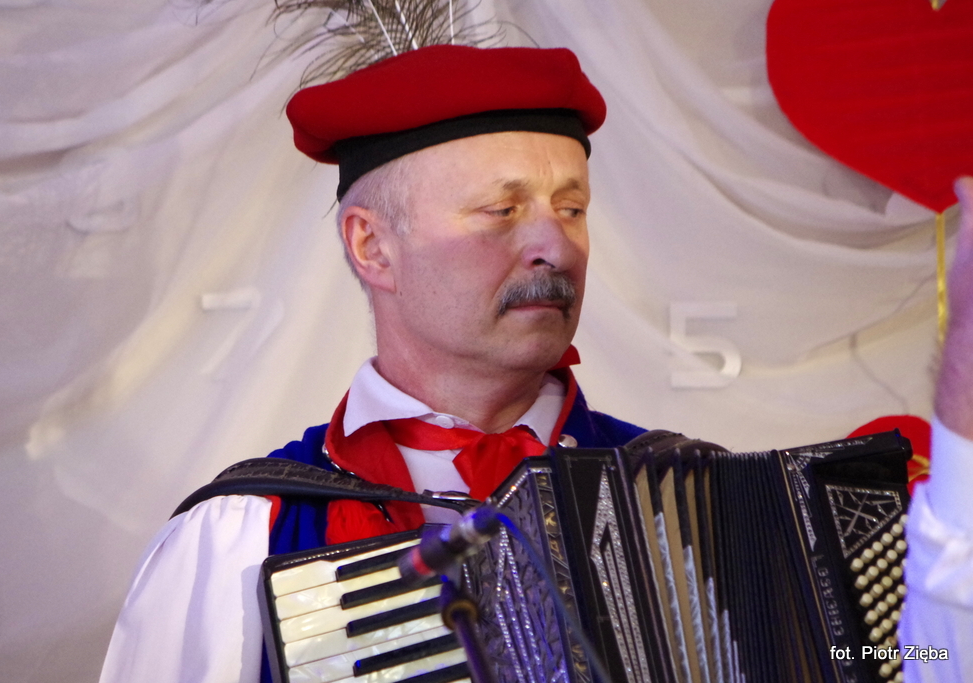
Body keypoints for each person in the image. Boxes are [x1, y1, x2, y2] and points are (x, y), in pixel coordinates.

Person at [98, 44, 973, 683]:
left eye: (573, 207)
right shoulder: (238, 537)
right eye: (502, 210)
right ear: (372, 246)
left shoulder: (711, 505)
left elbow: (931, 659)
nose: (556, 245)